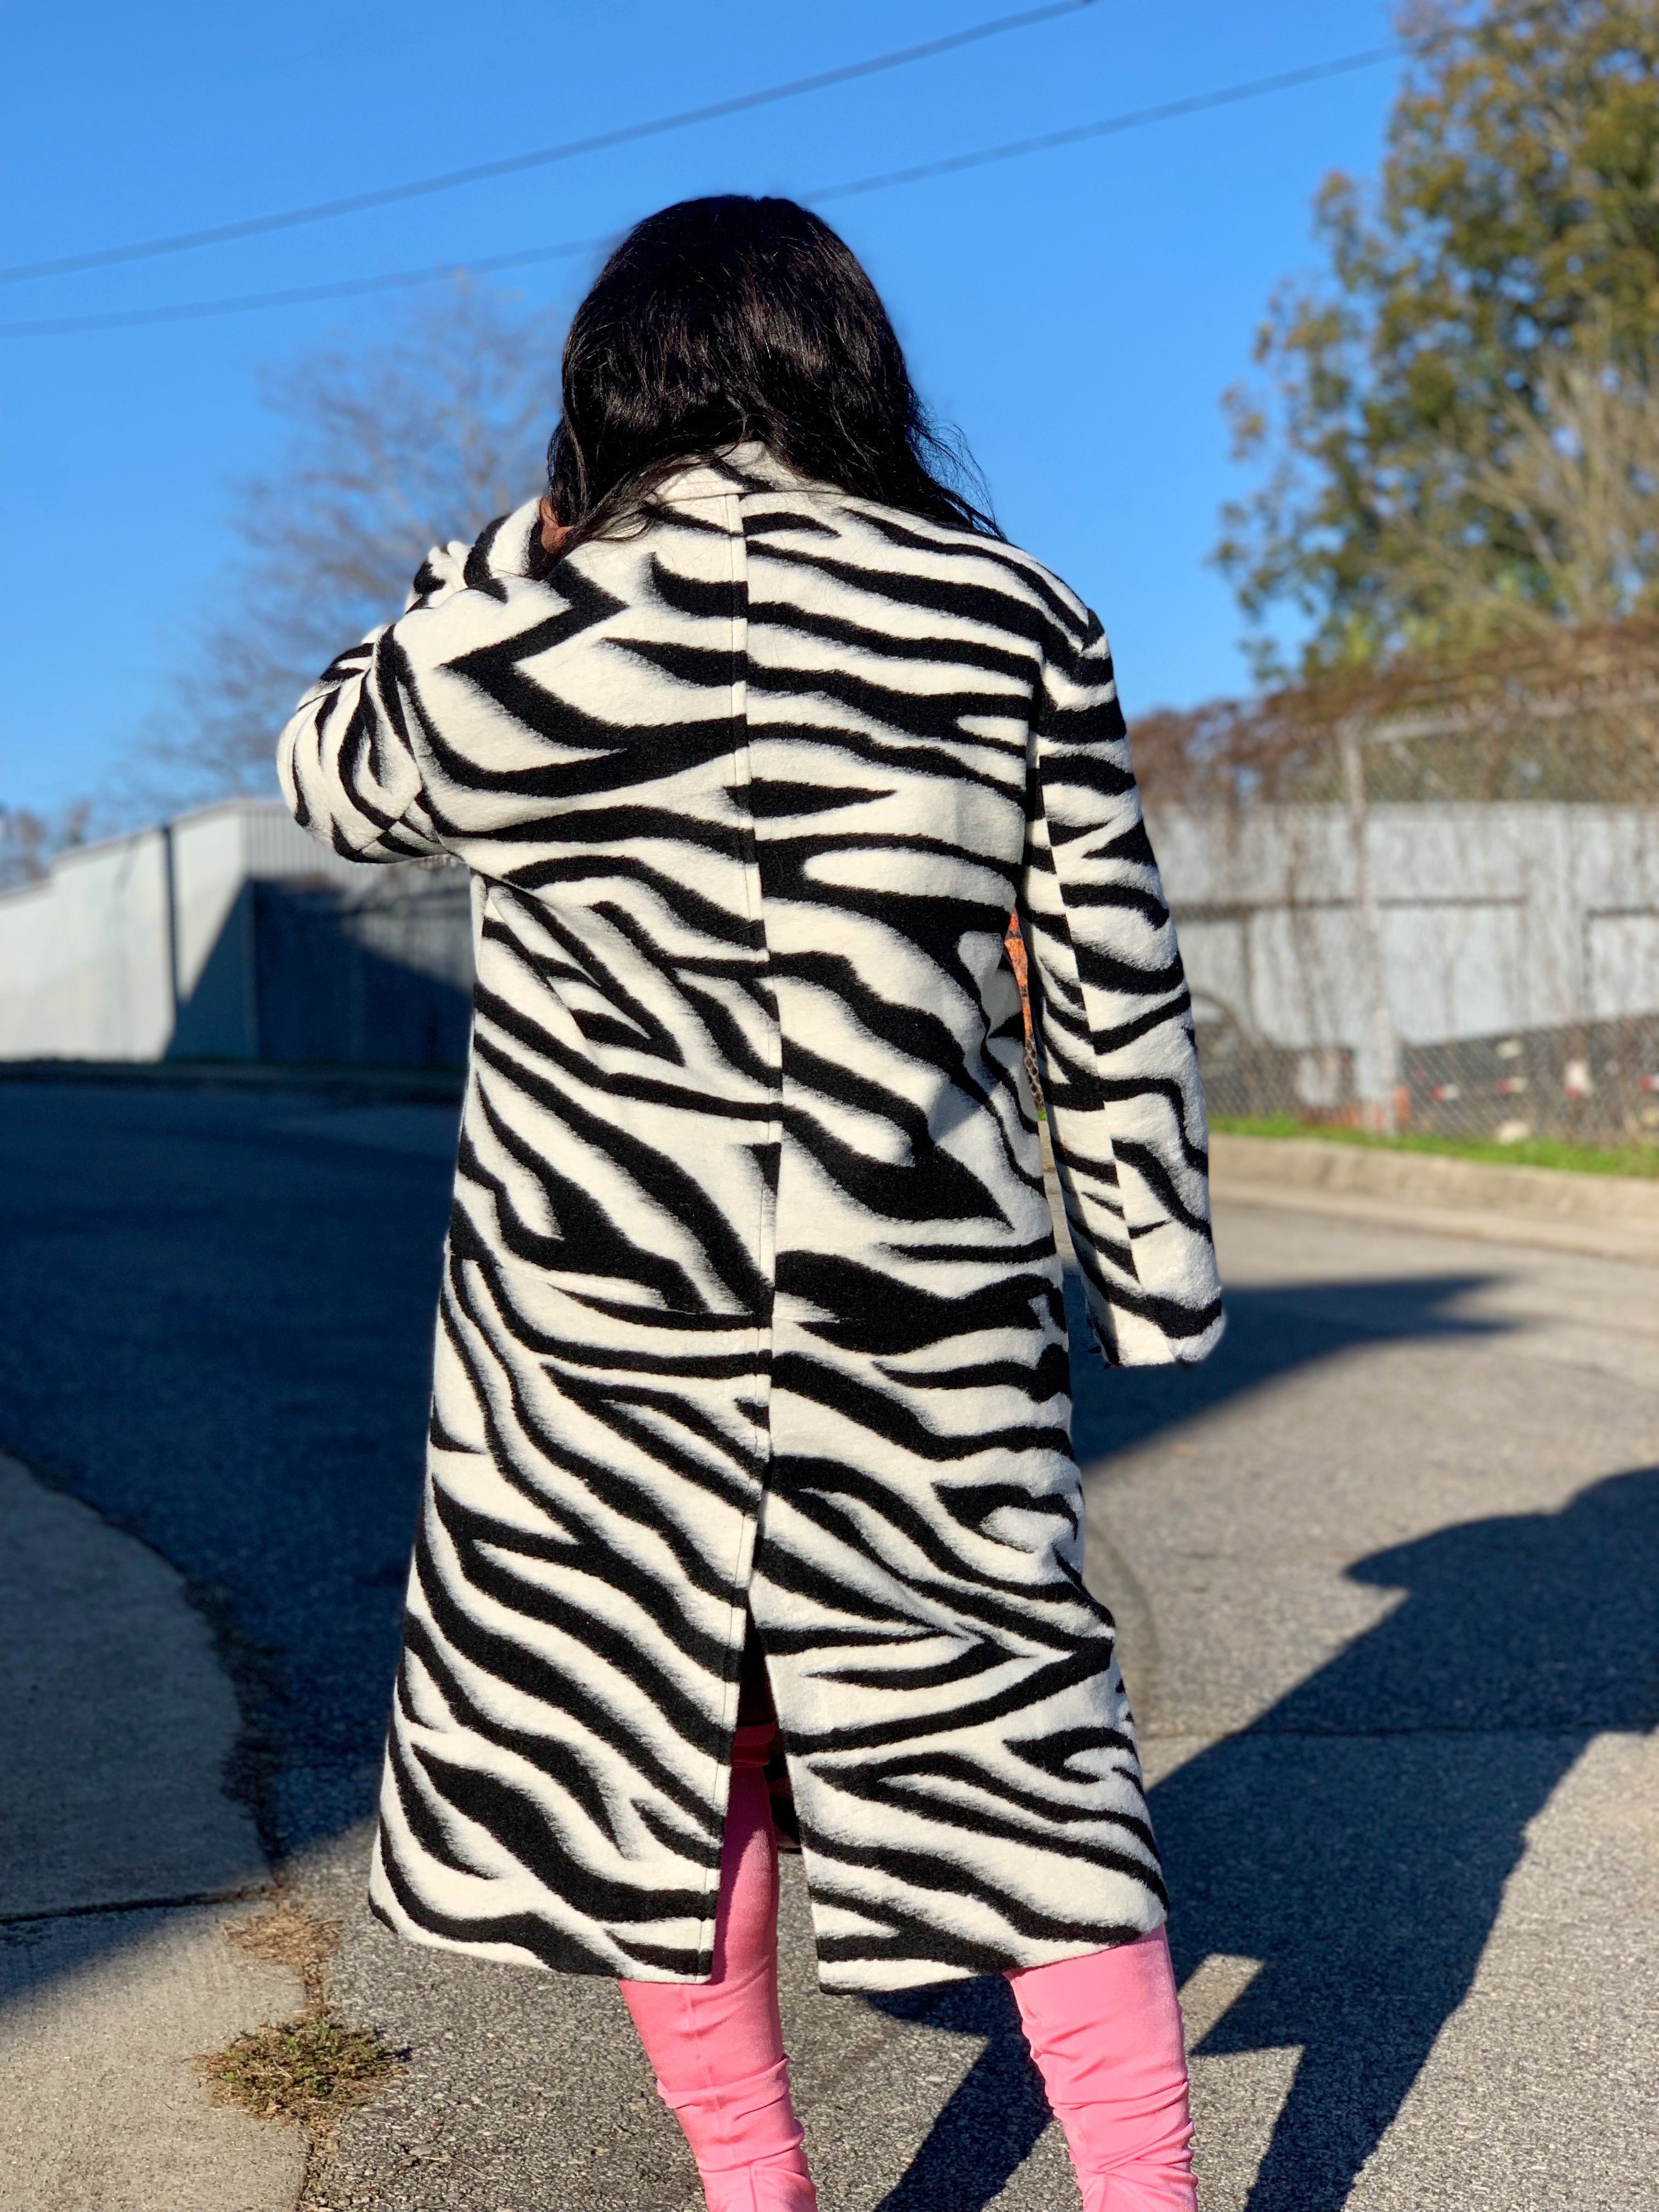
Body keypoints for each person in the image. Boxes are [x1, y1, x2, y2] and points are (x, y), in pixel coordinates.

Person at [279, 193, 1223, 2212]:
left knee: (659, 1759)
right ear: (850, 366)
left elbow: (329, 772)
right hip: (926, 1322)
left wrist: (502, 555)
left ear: (610, 392)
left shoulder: (528, 633)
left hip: (598, 1342)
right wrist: (1152, 1273)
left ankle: (757, 2189)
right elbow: (1112, 980)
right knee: (1031, 1780)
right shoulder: (1004, 612)